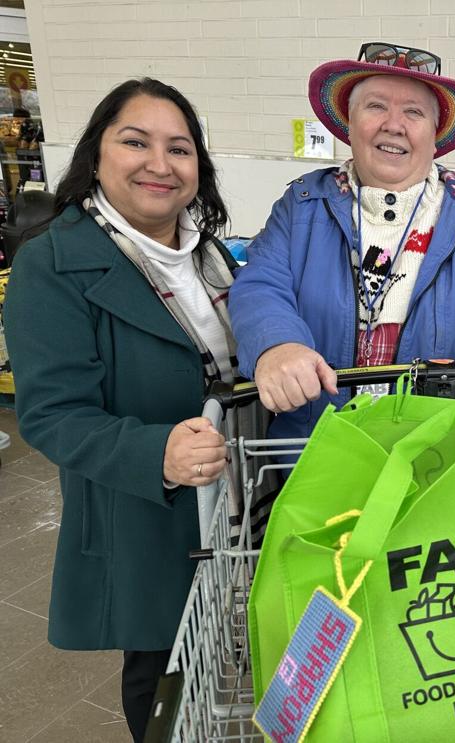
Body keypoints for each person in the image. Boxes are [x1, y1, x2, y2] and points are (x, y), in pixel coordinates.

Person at [4, 78, 236, 742]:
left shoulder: (208, 255)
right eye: (136, 142)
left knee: (224, 654)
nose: (160, 164)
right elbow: (52, 413)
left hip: (232, 496)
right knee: (165, 674)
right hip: (146, 510)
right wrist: (156, 452)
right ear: (96, 154)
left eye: (180, 148)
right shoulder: (53, 265)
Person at [229, 42, 455, 433]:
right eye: (375, 106)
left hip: (441, 451)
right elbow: (261, 285)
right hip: (315, 445)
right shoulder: (303, 206)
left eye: (414, 112)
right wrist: (275, 343)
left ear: (435, 136)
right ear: (349, 123)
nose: (394, 124)